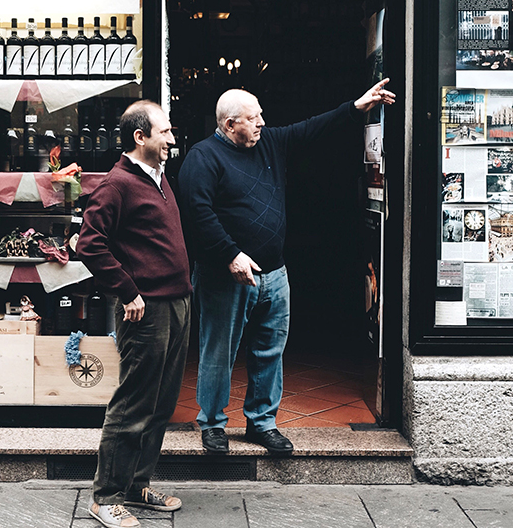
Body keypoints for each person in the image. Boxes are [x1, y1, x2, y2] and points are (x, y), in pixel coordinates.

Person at [179, 78, 396, 457]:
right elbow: (198, 213)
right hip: (225, 275)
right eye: (254, 117)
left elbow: (310, 128)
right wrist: (231, 254)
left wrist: (355, 107)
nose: (263, 122)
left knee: (270, 350)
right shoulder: (203, 157)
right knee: (218, 351)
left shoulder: (270, 143)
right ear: (230, 125)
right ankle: (212, 424)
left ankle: (262, 423)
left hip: (274, 274)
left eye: (262, 115)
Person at [76, 100, 191, 528]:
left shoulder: (158, 177)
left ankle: (137, 485)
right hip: (146, 309)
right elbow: (89, 244)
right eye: (165, 132)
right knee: (133, 404)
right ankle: (105, 496)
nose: (172, 139)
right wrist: (127, 290)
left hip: (177, 302)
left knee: (161, 403)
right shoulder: (118, 184)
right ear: (139, 137)